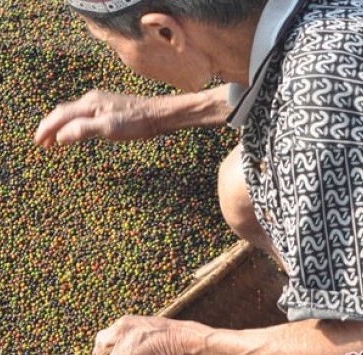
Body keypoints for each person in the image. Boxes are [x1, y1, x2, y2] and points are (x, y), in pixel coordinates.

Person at [34, 0, 363, 353]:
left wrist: (191, 341)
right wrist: (157, 114)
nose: (119, 60)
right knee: (241, 187)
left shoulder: (315, 128)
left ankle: (331, 322)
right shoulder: (328, 20)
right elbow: (284, 75)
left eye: (110, 44)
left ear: (164, 32)